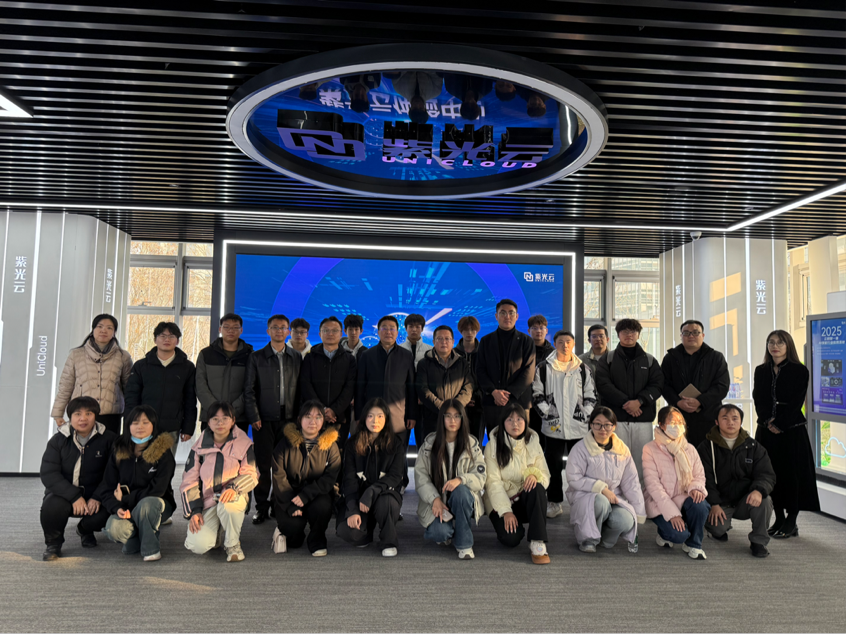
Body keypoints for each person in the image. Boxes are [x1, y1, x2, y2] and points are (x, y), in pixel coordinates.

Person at [752, 329, 820, 539]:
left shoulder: (799, 370)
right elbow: (758, 399)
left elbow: (797, 402)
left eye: (780, 342)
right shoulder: (761, 370)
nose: (775, 346)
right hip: (766, 430)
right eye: (771, 342)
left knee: (792, 475)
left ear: (788, 345)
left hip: (791, 431)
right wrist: (767, 421)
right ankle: (779, 517)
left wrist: (780, 424)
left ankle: (792, 520)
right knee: (769, 473)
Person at [39, 396, 117, 561]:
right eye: (77, 414)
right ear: (70, 417)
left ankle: (84, 530)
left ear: (95, 416)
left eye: (88, 413)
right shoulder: (58, 440)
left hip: (96, 494)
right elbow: (49, 473)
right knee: (52, 506)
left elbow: (114, 473)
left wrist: (97, 496)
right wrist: (74, 496)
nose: (83, 418)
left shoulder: (109, 439)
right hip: (65, 494)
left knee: (109, 509)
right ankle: (53, 544)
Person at [181, 401, 258, 563]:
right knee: (198, 545)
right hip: (208, 501)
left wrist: (233, 488)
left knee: (228, 506)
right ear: (208, 422)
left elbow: (251, 474)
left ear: (233, 420)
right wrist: (195, 511)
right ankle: (216, 532)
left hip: (233, 497)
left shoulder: (244, 443)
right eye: (215, 419)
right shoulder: (198, 448)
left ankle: (232, 545)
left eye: (225, 419)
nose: (220, 423)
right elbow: (189, 480)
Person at [98, 405, 176, 562]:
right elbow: (107, 487)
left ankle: (150, 549)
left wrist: (125, 498)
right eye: (135, 422)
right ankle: (137, 536)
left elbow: (157, 490)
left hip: (155, 505)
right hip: (126, 508)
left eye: (145, 422)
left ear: (154, 425)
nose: (140, 426)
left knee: (147, 505)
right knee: (114, 528)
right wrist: (117, 507)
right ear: (128, 425)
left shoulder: (163, 453)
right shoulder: (119, 451)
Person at [245, 314, 303, 525]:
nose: (279, 331)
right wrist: (254, 416)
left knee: (286, 466)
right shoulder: (256, 357)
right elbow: (249, 390)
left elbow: (301, 389)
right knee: (263, 466)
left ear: (288, 331)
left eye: (283, 327)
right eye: (275, 327)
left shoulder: (296, 357)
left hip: (289, 421)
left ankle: (278, 504)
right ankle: (261, 507)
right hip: (264, 420)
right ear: (268, 331)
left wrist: (299, 419)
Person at [533, 330, 597, 518]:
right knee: (552, 466)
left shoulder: (583, 369)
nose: (565, 345)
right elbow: (537, 395)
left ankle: (581, 501)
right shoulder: (543, 368)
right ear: (555, 344)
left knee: (581, 467)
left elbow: (591, 396)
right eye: (561, 342)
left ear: (573, 344)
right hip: (553, 428)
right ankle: (554, 502)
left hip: (578, 428)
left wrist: (584, 415)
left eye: (568, 342)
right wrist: (549, 415)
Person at [698, 404, 776, 558]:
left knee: (765, 500)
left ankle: (758, 541)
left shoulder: (753, 446)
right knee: (718, 529)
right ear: (716, 422)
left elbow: (766, 474)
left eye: (735, 418)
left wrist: (758, 490)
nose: (730, 422)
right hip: (720, 502)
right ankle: (718, 529)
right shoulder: (706, 447)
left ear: (741, 421)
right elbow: (704, 478)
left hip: (745, 500)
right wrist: (714, 504)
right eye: (725, 418)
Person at [565, 407, 646, 553]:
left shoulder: (622, 450)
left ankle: (605, 539)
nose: (603, 429)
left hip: (613, 497)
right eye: (598, 424)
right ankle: (588, 539)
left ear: (614, 426)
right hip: (585, 496)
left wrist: (639, 512)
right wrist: (601, 488)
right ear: (591, 425)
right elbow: (573, 478)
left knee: (626, 519)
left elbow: (631, 482)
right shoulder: (580, 448)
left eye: (607, 424)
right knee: (600, 502)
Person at [415, 400, 486, 560]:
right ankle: (449, 529)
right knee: (439, 533)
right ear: (442, 418)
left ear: (463, 419)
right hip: (437, 501)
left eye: (457, 416)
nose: (452, 420)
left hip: (462, 499)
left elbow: (480, 477)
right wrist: (435, 499)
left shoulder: (471, 444)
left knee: (461, 492)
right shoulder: (429, 444)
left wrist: (461, 479)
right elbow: (421, 478)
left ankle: (464, 544)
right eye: (448, 416)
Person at [594, 318, 663, 480]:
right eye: (625, 331)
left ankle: (640, 492)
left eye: (633, 331)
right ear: (618, 334)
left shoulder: (649, 360)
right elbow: (603, 385)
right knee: (615, 459)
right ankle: (617, 492)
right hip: (616, 418)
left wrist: (639, 402)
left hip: (642, 419)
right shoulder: (608, 359)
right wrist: (626, 403)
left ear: (638, 334)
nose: (629, 335)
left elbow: (658, 385)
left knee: (642, 461)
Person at [270, 401, 341, 557]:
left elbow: (329, 478)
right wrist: (290, 505)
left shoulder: (331, 446)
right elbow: (279, 478)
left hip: (316, 493)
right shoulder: (284, 444)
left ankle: (317, 539)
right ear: (299, 419)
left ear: (323, 421)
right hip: (289, 495)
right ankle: (290, 533)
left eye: (318, 417)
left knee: (322, 507)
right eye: (308, 416)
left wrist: (306, 495)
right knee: (293, 533)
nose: (312, 421)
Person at [483, 402, 551, 564]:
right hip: (501, 501)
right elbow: (493, 483)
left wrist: (535, 476)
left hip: (524, 498)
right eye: (510, 420)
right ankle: (512, 524)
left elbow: (545, 474)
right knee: (511, 539)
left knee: (538, 487)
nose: (515, 424)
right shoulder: (492, 445)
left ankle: (537, 541)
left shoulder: (533, 442)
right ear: (503, 422)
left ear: (525, 421)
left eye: (519, 419)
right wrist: (506, 511)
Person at [336, 398, 405, 557]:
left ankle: (388, 541)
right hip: (360, 500)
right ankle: (365, 533)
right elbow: (349, 479)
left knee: (387, 503)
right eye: (370, 416)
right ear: (364, 418)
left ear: (386, 419)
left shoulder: (396, 444)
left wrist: (372, 491)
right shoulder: (352, 444)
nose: (375, 421)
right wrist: (353, 509)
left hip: (385, 495)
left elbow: (395, 476)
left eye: (380, 416)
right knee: (348, 532)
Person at [355, 315, 417, 486]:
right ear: (378, 331)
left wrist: (412, 415)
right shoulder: (367, 355)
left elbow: (411, 388)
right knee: (374, 451)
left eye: (392, 328)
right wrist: (359, 415)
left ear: (397, 332)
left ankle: (400, 483)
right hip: (372, 417)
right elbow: (360, 388)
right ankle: (373, 484)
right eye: (384, 328)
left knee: (398, 452)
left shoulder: (406, 356)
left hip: (399, 415)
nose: (388, 332)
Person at [642, 406, 711, 560]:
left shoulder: (689, 448)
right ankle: (664, 533)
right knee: (678, 535)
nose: (678, 426)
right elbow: (653, 486)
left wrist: (695, 489)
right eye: (672, 422)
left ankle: (694, 544)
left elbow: (699, 475)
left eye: (680, 422)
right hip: (659, 501)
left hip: (682, 496)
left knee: (700, 504)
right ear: (661, 425)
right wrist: (672, 514)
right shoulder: (649, 449)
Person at [124, 321, 197, 457]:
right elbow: (131, 397)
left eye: (171, 336)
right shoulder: (141, 366)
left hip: (171, 427)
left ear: (177, 341)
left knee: (166, 465)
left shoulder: (187, 367)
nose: (167, 339)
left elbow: (190, 400)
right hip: (143, 425)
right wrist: (129, 424)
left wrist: (188, 428)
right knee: (141, 463)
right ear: (155, 340)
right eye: (162, 336)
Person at [51, 314, 132, 435]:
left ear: (114, 332)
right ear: (93, 329)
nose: (104, 330)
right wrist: (58, 414)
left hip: (111, 415)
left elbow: (129, 388)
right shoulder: (76, 355)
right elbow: (65, 386)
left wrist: (132, 415)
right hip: (82, 414)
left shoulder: (123, 356)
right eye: (100, 326)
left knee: (109, 446)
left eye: (109, 328)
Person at [660, 320, 730, 448]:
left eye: (695, 332)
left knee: (707, 455)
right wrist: (677, 402)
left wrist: (700, 401)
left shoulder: (716, 357)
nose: (691, 336)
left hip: (708, 416)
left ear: (703, 335)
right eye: (686, 333)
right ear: (681, 336)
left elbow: (722, 386)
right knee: (678, 455)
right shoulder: (670, 358)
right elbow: (664, 385)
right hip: (678, 417)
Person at [299, 316, 357, 465]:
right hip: (313, 417)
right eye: (326, 330)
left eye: (334, 330)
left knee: (337, 456)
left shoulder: (349, 359)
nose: (330, 334)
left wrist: (334, 410)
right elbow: (306, 385)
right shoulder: (310, 357)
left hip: (339, 417)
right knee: (313, 456)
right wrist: (322, 410)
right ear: (320, 334)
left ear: (341, 334)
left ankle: (336, 481)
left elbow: (349, 388)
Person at [476, 299, 536, 438]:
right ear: (496, 316)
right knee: (495, 441)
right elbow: (480, 369)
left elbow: (528, 372)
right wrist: (493, 392)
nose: (507, 316)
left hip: (519, 401)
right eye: (503, 313)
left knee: (520, 442)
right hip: (493, 401)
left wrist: (509, 394)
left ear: (517, 316)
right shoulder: (485, 341)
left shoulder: (527, 341)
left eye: (511, 313)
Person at [415, 325, 473, 448]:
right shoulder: (424, 363)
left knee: (457, 451)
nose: (444, 342)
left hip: (457, 417)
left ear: (453, 341)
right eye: (439, 339)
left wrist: (455, 408)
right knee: (432, 451)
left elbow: (468, 387)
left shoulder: (462, 363)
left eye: (447, 339)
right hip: (431, 417)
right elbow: (422, 389)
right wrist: (443, 408)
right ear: (433, 342)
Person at [195, 313, 254, 433]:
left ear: (241, 330)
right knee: (209, 446)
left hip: (238, 418)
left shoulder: (250, 356)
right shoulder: (206, 354)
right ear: (220, 329)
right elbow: (200, 385)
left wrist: (232, 411)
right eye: (226, 327)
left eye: (235, 327)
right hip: (210, 417)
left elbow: (252, 386)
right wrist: (215, 411)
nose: (230, 330)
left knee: (237, 446)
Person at [455, 315, 483, 442]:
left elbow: (487, 376)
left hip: (479, 404)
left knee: (476, 441)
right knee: (458, 440)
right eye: (466, 330)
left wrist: (476, 396)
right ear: (461, 331)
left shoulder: (484, 352)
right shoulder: (453, 353)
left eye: (473, 329)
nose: (469, 333)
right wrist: (463, 398)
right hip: (458, 403)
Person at [527, 314, 554, 442]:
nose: (539, 331)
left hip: (546, 400)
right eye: (535, 328)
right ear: (529, 331)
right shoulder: (523, 350)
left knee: (545, 438)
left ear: (546, 330)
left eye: (542, 328)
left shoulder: (553, 353)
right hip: (527, 399)